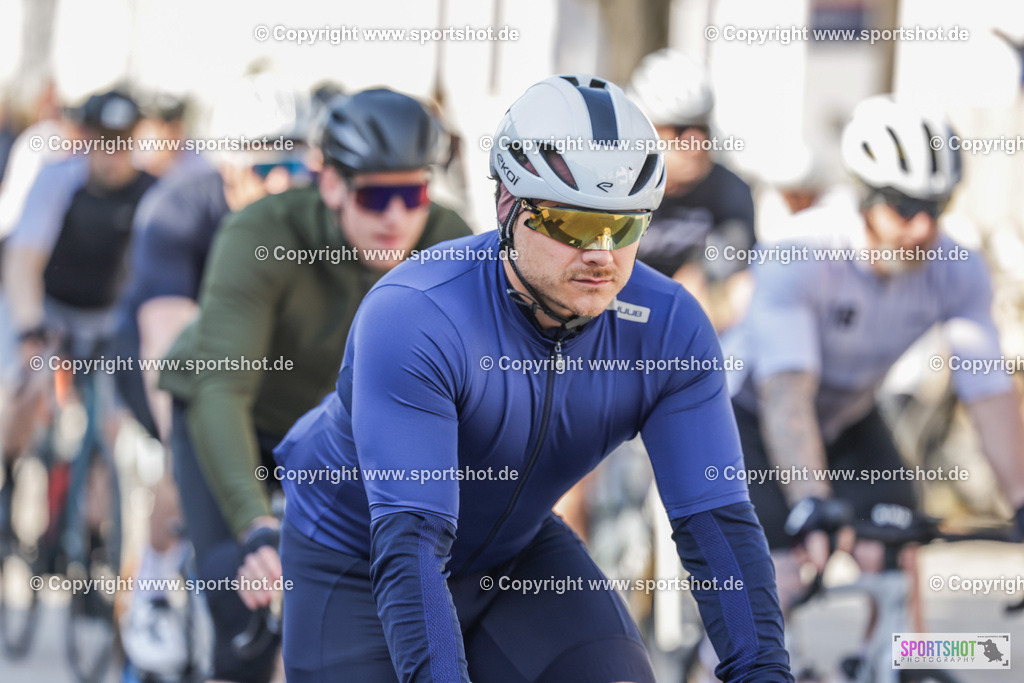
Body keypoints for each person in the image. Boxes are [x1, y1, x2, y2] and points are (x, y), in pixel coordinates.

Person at [273, 74, 792, 682]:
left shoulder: (668, 328)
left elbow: (716, 525)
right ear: (507, 206)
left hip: (513, 556)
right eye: (572, 223)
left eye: (625, 226)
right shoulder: (416, 313)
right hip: (357, 556)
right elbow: (410, 545)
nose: (601, 254)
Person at [156, 87, 472, 683]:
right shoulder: (261, 232)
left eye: (413, 194)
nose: (396, 217)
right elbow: (223, 392)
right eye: (375, 196)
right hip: (237, 412)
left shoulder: (447, 241)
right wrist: (255, 527)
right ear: (330, 185)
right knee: (245, 604)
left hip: (332, 437)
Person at [730, 95, 1024, 605]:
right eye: (905, 207)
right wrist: (811, 500)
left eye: (936, 208)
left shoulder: (958, 269)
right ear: (866, 198)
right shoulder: (803, 252)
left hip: (848, 416)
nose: (923, 228)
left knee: (897, 551)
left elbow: (988, 392)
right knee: (781, 577)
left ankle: (896, 650)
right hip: (752, 416)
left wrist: (1020, 497)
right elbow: (787, 395)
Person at [115, 82, 315, 681]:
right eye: (266, 169)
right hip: (172, 359)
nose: (282, 185)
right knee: (188, 459)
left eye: (295, 167)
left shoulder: (317, 220)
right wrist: (189, 452)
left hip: (264, 375)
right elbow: (166, 338)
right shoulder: (178, 209)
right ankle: (154, 585)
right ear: (228, 167)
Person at [1, 89, 155, 469]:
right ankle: (8, 475)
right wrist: (30, 327)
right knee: (24, 389)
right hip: (49, 308)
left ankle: (98, 505)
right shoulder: (58, 179)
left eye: (122, 140)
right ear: (86, 136)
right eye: (103, 139)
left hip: (110, 318)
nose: (112, 152)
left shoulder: (152, 193)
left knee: (114, 421)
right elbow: (23, 261)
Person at [627, 49, 756, 332]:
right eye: (680, 130)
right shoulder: (615, 185)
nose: (696, 143)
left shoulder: (729, 190)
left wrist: (701, 275)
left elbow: (734, 261)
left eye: (702, 128)